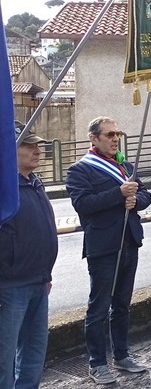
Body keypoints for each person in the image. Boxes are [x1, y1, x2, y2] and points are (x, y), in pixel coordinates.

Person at [66, 117, 151, 384]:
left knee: (122, 306)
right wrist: (118, 193)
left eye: (118, 134)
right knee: (99, 309)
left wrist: (136, 199)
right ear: (94, 138)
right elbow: (83, 204)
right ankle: (97, 363)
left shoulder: (126, 166)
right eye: (110, 134)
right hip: (103, 248)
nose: (115, 139)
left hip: (129, 244)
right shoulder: (80, 170)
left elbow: (146, 195)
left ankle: (122, 355)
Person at [0, 122, 58, 389]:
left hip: (38, 281)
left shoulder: (34, 183)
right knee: (4, 359)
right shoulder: (4, 189)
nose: (37, 150)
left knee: (34, 354)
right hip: (10, 286)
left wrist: (45, 274)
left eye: (38, 145)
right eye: (28, 145)